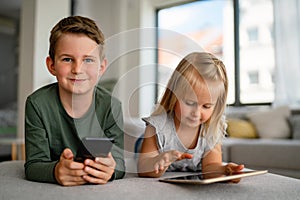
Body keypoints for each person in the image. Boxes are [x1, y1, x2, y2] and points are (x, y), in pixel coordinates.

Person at [24, 16, 125, 186]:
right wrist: (56, 171)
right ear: (51, 66)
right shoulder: (37, 104)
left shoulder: (112, 106)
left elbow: (119, 163)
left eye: (88, 60)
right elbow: (33, 165)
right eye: (67, 59)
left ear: (101, 67)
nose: (77, 69)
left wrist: (110, 170)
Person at [137, 52, 244, 181]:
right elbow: (143, 169)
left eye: (206, 106)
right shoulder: (157, 126)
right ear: (173, 95)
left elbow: (210, 167)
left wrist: (225, 170)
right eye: (189, 103)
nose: (196, 113)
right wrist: (159, 161)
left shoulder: (212, 127)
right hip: (147, 144)